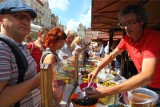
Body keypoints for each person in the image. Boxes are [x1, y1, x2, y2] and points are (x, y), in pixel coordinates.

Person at [86, 5, 160, 106]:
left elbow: (147, 76)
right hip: (145, 85)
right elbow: (111, 56)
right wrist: (96, 69)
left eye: (130, 23)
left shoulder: (154, 38)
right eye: (123, 24)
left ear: (142, 21)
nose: (126, 28)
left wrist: (105, 91)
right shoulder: (126, 39)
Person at [0, 0, 41, 106]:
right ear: (1, 19)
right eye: (19, 16)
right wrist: (38, 79)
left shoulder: (18, 45)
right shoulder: (2, 48)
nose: (26, 22)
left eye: (28, 18)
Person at [40, 27, 67, 106]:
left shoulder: (53, 52)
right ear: (53, 40)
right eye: (60, 41)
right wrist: (57, 100)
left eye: (63, 42)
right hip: (52, 96)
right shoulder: (50, 56)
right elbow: (52, 82)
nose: (62, 44)